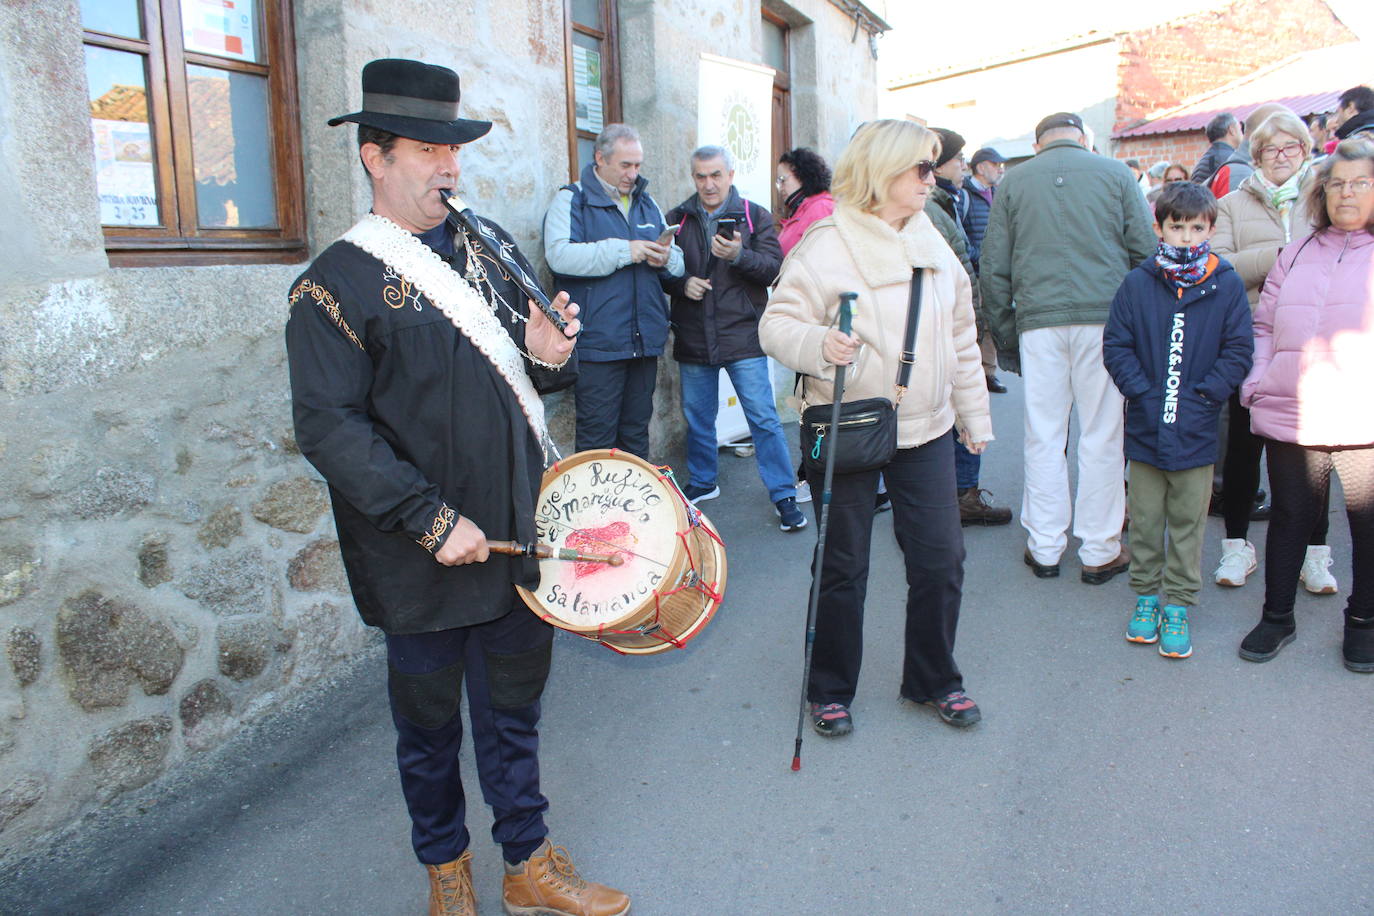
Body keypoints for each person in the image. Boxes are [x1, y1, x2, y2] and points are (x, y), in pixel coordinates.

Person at [286, 59, 629, 916]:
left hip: (515, 533)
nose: (451, 165)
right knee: (429, 730)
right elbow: (330, 427)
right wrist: (430, 519)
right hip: (419, 557)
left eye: (455, 147)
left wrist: (551, 356)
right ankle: (447, 871)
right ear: (375, 156)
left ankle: (527, 861)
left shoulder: (490, 246)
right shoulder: (333, 283)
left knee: (515, 714)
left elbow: (525, 375)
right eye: (430, 148)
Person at [760, 119, 993, 736]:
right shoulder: (825, 243)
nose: (931, 177)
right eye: (920, 167)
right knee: (843, 565)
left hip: (928, 427)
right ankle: (829, 688)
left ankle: (933, 678)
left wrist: (975, 414)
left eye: (931, 167)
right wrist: (818, 342)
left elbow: (961, 338)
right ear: (881, 172)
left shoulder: (933, 241)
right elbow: (775, 325)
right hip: (849, 425)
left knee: (942, 560)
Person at [981, 111, 1156, 583]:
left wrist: (1006, 336)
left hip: (1038, 321)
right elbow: (1145, 254)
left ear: (1039, 144)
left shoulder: (1014, 183)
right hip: (1106, 319)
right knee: (1102, 435)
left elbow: (993, 267)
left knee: (1043, 434)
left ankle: (1045, 547)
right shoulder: (1117, 173)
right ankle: (1100, 550)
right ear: (1082, 139)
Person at [1237, 139, 1374, 673]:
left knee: (1367, 524)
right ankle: (1277, 618)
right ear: (1321, 193)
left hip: (1365, 419)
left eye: (1360, 182)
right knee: (1292, 517)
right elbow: (1264, 325)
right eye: (1337, 183)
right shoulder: (1296, 252)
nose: (1347, 192)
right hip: (1294, 409)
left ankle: (1363, 621)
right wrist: (1257, 379)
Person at [1103, 182, 1253, 659]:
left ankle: (1179, 604)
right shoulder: (1138, 282)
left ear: (1210, 228)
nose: (1186, 237)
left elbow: (1238, 349)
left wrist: (1206, 393)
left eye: (1196, 227)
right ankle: (1146, 598)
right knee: (1146, 520)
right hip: (1147, 427)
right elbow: (1117, 345)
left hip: (1197, 428)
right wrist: (1143, 392)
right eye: (1176, 227)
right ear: (1159, 228)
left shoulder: (1225, 282)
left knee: (1188, 522)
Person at [1211, 109, 1336, 593]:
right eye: (1269, 150)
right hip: (1250, 338)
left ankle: (1315, 554)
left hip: (1316, 341)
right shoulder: (1231, 205)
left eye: (1290, 148)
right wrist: (1285, 256)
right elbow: (1221, 264)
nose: (1280, 157)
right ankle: (1236, 547)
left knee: (1312, 453)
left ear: (1305, 151)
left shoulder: (1324, 198)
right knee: (1244, 449)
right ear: (1256, 155)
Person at [660, 145, 805, 530]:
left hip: (743, 335)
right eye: (701, 176)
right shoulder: (677, 219)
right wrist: (680, 284)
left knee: (764, 419)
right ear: (693, 177)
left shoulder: (754, 216)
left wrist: (740, 255)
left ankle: (784, 494)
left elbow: (774, 269)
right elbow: (661, 269)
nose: (708, 184)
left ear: (730, 174)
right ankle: (705, 482)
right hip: (693, 335)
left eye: (716, 175)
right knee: (698, 419)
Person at [543, 123, 684, 458]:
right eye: (625, 165)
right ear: (599, 158)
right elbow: (559, 256)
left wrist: (666, 258)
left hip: (644, 341)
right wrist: (625, 251)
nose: (633, 174)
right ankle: (594, 513)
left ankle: (633, 512)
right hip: (598, 345)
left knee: (636, 438)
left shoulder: (647, 201)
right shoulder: (571, 199)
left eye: (637, 165)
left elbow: (678, 265)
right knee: (596, 440)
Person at [930, 128, 1012, 526]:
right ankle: (960, 496)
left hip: (956, 325)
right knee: (960, 410)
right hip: (948, 332)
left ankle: (959, 494)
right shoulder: (932, 207)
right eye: (957, 159)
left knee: (958, 411)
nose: (963, 165)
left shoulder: (946, 202)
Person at [963, 146, 1009, 393]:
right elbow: (961, 235)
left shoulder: (999, 193)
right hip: (976, 271)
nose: (1000, 169)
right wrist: (979, 258)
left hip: (995, 272)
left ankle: (988, 373)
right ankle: (971, 374)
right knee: (973, 324)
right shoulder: (965, 194)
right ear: (981, 167)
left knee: (992, 322)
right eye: (995, 164)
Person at [775, 147, 835, 255]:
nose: (780, 188)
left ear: (802, 175)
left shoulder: (821, 207)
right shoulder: (798, 211)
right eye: (778, 182)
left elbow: (826, 254)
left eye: (782, 180)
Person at [1192, 112, 1241, 185]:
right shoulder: (1229, 159)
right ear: (1232, 130)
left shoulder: (1208, 158)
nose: (1242, 134)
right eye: (1240, 129)